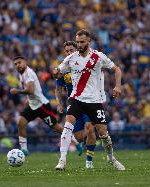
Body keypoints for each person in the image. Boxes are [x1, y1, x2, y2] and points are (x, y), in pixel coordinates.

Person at [54, 29, 125, 171]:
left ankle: (111, 159)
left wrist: (118, 86)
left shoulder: (98, 56)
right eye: (78, 42)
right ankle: (62, 161)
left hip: (94, 101)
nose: (79, 44)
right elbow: (58, 72)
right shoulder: (71, 58)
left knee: (103, 134)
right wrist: (56, 72)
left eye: (82, 42)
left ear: (88, 42)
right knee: (68, 125)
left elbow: (117, 69)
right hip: (76, 98)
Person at [10, 56, 81, 156]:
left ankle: (75, 142)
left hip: (41, 106)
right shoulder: (21, 74)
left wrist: (16, 91)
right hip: (33, 105)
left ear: (25, 62)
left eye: (19, 62)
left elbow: (30, 90)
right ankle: (24, 150)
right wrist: (28, 99)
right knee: (21, 123)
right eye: (15, 64)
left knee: (56, 128)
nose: (17, 65)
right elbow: (31, 91)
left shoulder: (28, 73)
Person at [55, 41, 96, 169]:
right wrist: (59, 103)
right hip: (73, 102)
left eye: (71, 50)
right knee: (78, 137)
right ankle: (93, 135)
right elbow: (58, 88)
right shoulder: (64, 68)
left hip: (88, 100)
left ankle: (89, 161)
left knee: (89, 127)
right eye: (66, 51)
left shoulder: (84, 62)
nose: (69, 53)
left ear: (76, 50)